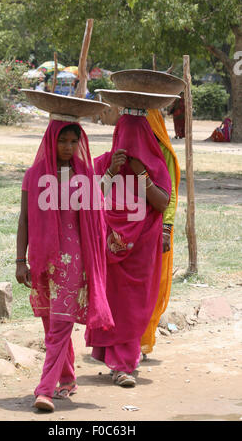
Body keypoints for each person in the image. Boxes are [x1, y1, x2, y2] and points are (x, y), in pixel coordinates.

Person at [16, 119, 114, 412]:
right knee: (51, 322)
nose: (69, 147)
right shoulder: (33, 176)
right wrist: (21, 260)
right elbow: (24, 221)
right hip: (44, 260)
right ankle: (68, 379)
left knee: (60, 324)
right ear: (50, 141)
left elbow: (96, 223)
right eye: (63, 141)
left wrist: (96, 263)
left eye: (74, 141)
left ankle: (44, 390)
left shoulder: (86, 177)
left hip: (75, 261)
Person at [85, 110, 171, 387]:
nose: (130, 143)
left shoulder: (156, 166)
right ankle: (118, 364)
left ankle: (124, 363)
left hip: (143, 248)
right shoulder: (102, 163)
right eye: (124, 136)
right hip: (108, 246)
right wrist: (111, 171)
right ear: (116, 136)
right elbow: (90, 198)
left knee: (135, 305)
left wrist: (142, 174)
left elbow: (161, 203)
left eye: (136, 137)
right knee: (112, 302)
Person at [140, 109, 180, 357]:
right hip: (126, 227)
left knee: (152, 285)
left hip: (155, 226)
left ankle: (142, 341)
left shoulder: (162, 148)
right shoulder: (125, 148)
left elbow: (170, 193)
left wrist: (166, 228)